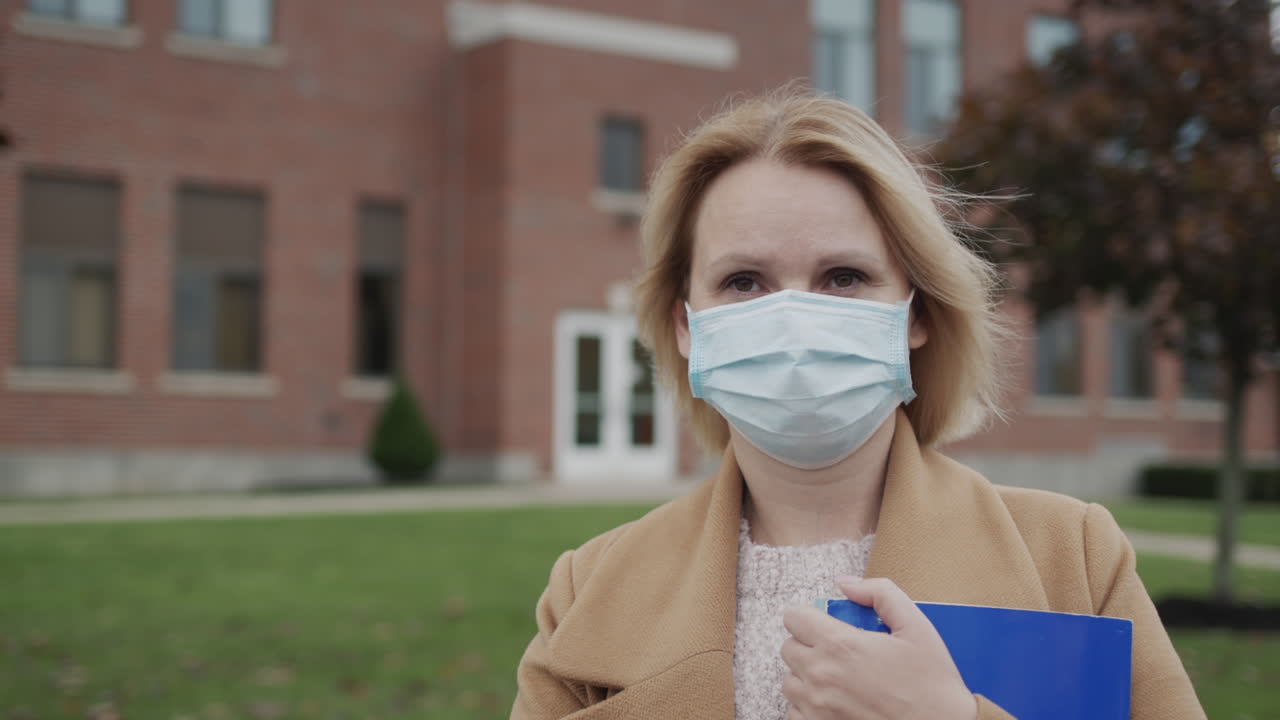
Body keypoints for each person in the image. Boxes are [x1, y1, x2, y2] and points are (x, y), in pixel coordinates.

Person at [511, 89, 1205, 720]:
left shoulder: (1072, 558)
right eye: (744, 281)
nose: (793, 321)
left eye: (843, 277)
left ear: (916, 313)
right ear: (687, 326)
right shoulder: (588, 590)